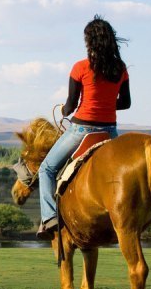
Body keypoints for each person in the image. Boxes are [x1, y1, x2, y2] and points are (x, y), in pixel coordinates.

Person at [37, 15, 131, 240]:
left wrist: (64, 111)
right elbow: (126, 103)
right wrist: (108, 103)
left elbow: (70, 105)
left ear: (89, 41)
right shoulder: (120, 68)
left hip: (81, 130)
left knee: (46, 169)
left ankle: (49, 217)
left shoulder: (80, 67)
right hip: (109, 132)